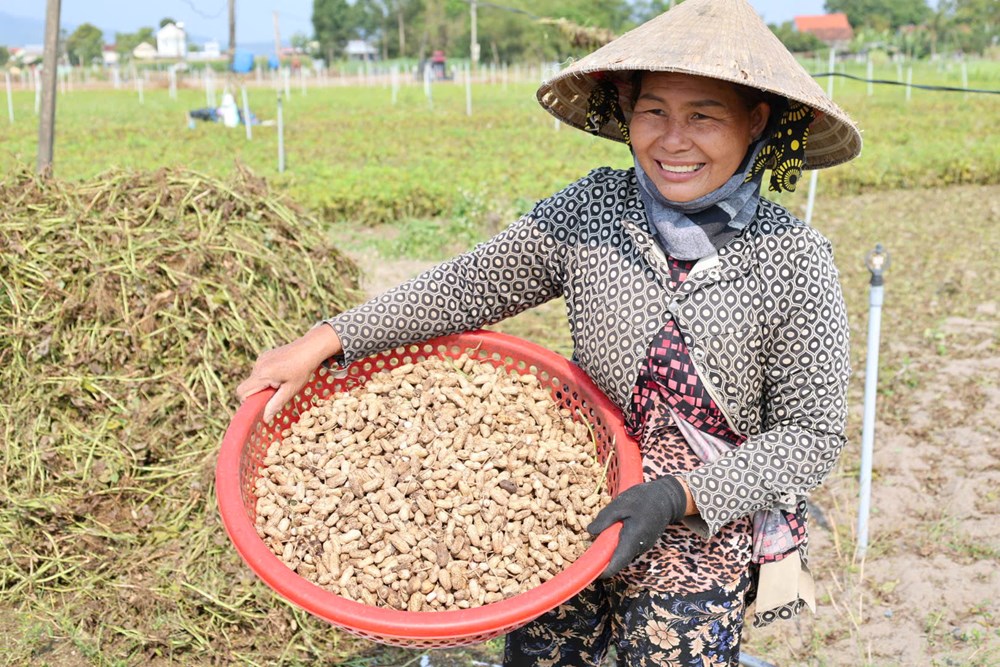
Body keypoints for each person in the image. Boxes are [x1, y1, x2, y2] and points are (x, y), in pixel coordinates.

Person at [236, 0, 861, 663]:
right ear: (627, 112)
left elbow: (810, 437)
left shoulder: (792, 258)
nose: (673, 141)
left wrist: (676, 495)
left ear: (756, 121)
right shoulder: (593, 212)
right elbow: (465, 286)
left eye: (703, 116)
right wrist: (325, 341)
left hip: (702, 527)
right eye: (655, 112)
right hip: (564, 505)